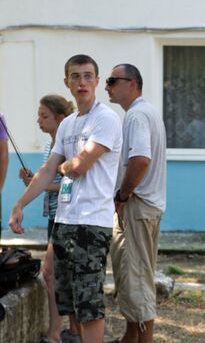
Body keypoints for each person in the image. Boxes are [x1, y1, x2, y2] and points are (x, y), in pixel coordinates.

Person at [9, 54, 122, 343]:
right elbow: (48, 170)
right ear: (67, 82)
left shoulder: (106, 119)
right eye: (76, 76)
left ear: (97, 81)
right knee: (69, 300)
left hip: (91, 224)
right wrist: (20, 203)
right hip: (64, 221)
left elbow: (79, 166)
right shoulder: (69, 124)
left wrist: (63, 166)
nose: (82, 82)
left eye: (87, 76)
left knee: (89, 305)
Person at [105, 64, 166, 343]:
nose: (106, 86)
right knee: (136, 279)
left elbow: (140, 160)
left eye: (112, 80)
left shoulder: (137, 115)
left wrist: (121, 196)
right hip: (146, 208)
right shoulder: (146, 112)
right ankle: (130, 337)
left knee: (135, 282)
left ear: (132, 84)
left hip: (136, 207)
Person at [18, 95, 81, 343]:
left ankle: (54, 335)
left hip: (66, 218)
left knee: (52, 273)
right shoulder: (50, 147)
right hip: (53, 216)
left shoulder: (69, 148)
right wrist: (33, 180)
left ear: (61, 119)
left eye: (44, 116)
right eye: (38, 115)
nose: (38, 121)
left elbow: (71, 185)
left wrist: (43, 185)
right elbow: (49, 180)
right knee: (62, 274)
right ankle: (74, 331)